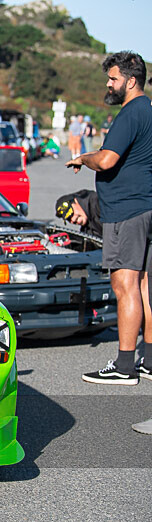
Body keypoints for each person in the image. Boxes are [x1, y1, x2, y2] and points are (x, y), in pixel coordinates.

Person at [65, 51, 152, 388]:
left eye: (113, 79)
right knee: (145, 285)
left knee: (125, 285)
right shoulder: (149, 110)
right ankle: (148, 361)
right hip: (146, 206)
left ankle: (125, 365)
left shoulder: (131, 113)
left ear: (131, 81)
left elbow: (107, 160)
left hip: (127, 211)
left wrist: (83, 157)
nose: (109, 84)